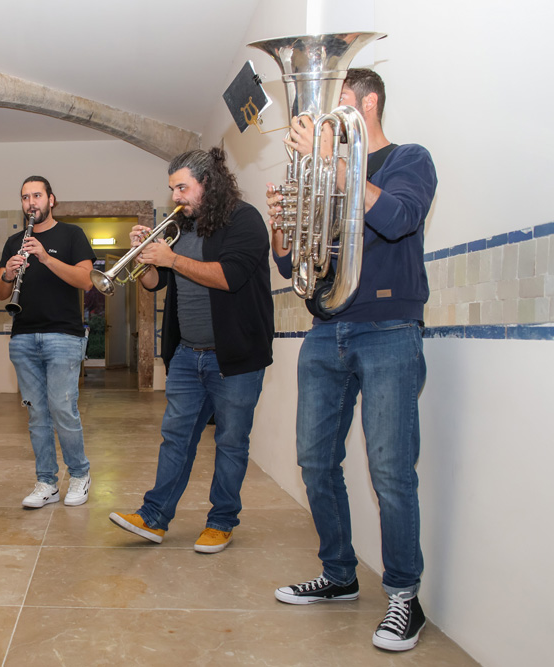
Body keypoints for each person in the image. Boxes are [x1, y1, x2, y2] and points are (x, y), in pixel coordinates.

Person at [266, 68, 438, 652]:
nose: (323, 116)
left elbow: (399, 219)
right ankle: (339, 574)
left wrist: (334, 164)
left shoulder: (409, 159)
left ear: (367, 103)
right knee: (315, 461)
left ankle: (404, 596)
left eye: (337, 102)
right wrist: (283, 228)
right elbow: (292, 266)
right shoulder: (325, 172)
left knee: (391, 470)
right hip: (325, 329)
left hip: (388, 328)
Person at [109, 148, 274, 553]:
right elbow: (154, 283)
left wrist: (171, 258)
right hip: (186, 354)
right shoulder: (181, 228)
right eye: (172, 189)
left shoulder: (244, 219)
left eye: (182, 187)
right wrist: (148, 260)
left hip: (235, 356)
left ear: (209, 182)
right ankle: (154, 517)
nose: (176, 197)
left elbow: (229, 276)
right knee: (176, 438)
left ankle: (221, 521)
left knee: (231, 443)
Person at [0, 176, 95, 508]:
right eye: (25, 197)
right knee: (37, 414)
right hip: (23, 337)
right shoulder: (14, 241)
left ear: (51, 199)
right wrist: (8, 274)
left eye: (37, 195)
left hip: (63, 336)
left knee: (63, 408)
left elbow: (86, 280)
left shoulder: (72, 235)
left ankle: (79, 474)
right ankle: (47, 482)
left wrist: (46, 257)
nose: (31, 202)